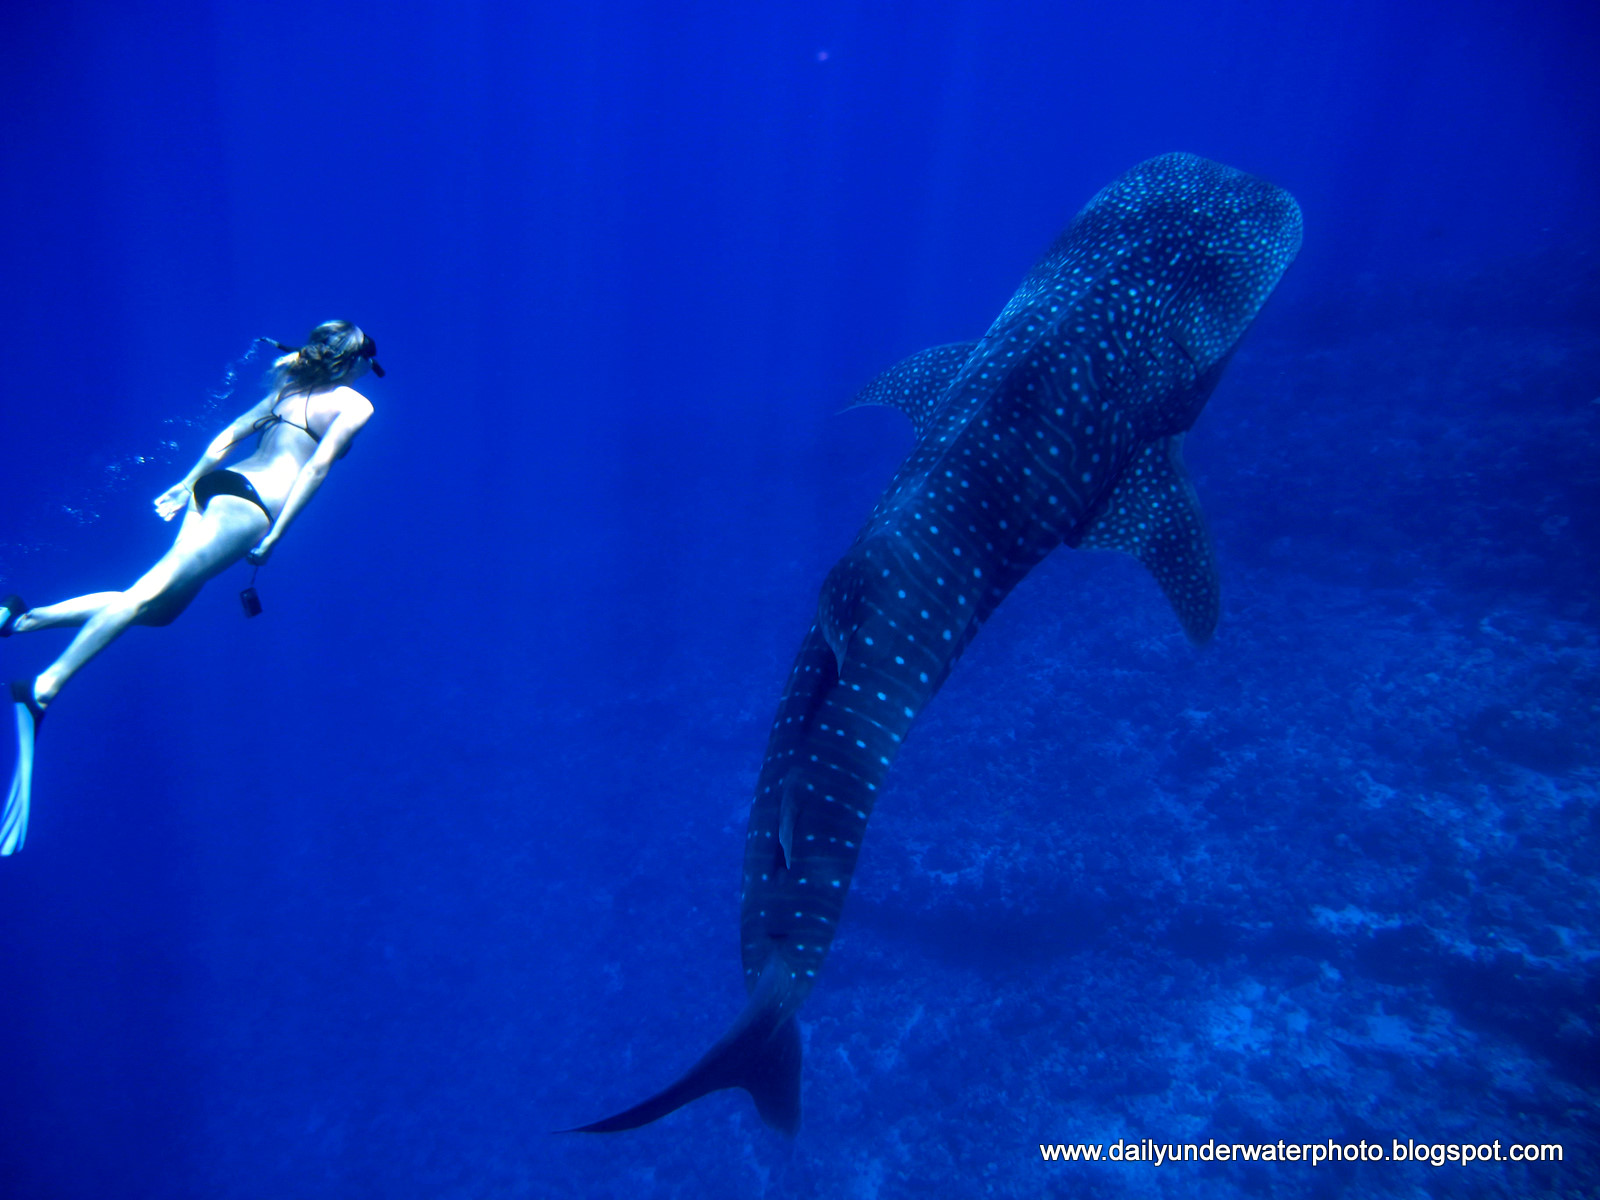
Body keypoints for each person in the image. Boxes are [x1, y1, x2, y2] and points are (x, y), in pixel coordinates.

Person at [0, 320, 381, 854]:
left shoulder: (291, 383)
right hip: (250, 509)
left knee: (159, 611)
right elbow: (316, 470)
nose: (371, 371)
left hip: (218, 489)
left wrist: (186, 484)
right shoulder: (356, 406)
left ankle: (18, 619)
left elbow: (228, 436)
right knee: (148, 592)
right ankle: (45, 687)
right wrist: (274, 536)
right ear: (358, 360)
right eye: (371, 361)